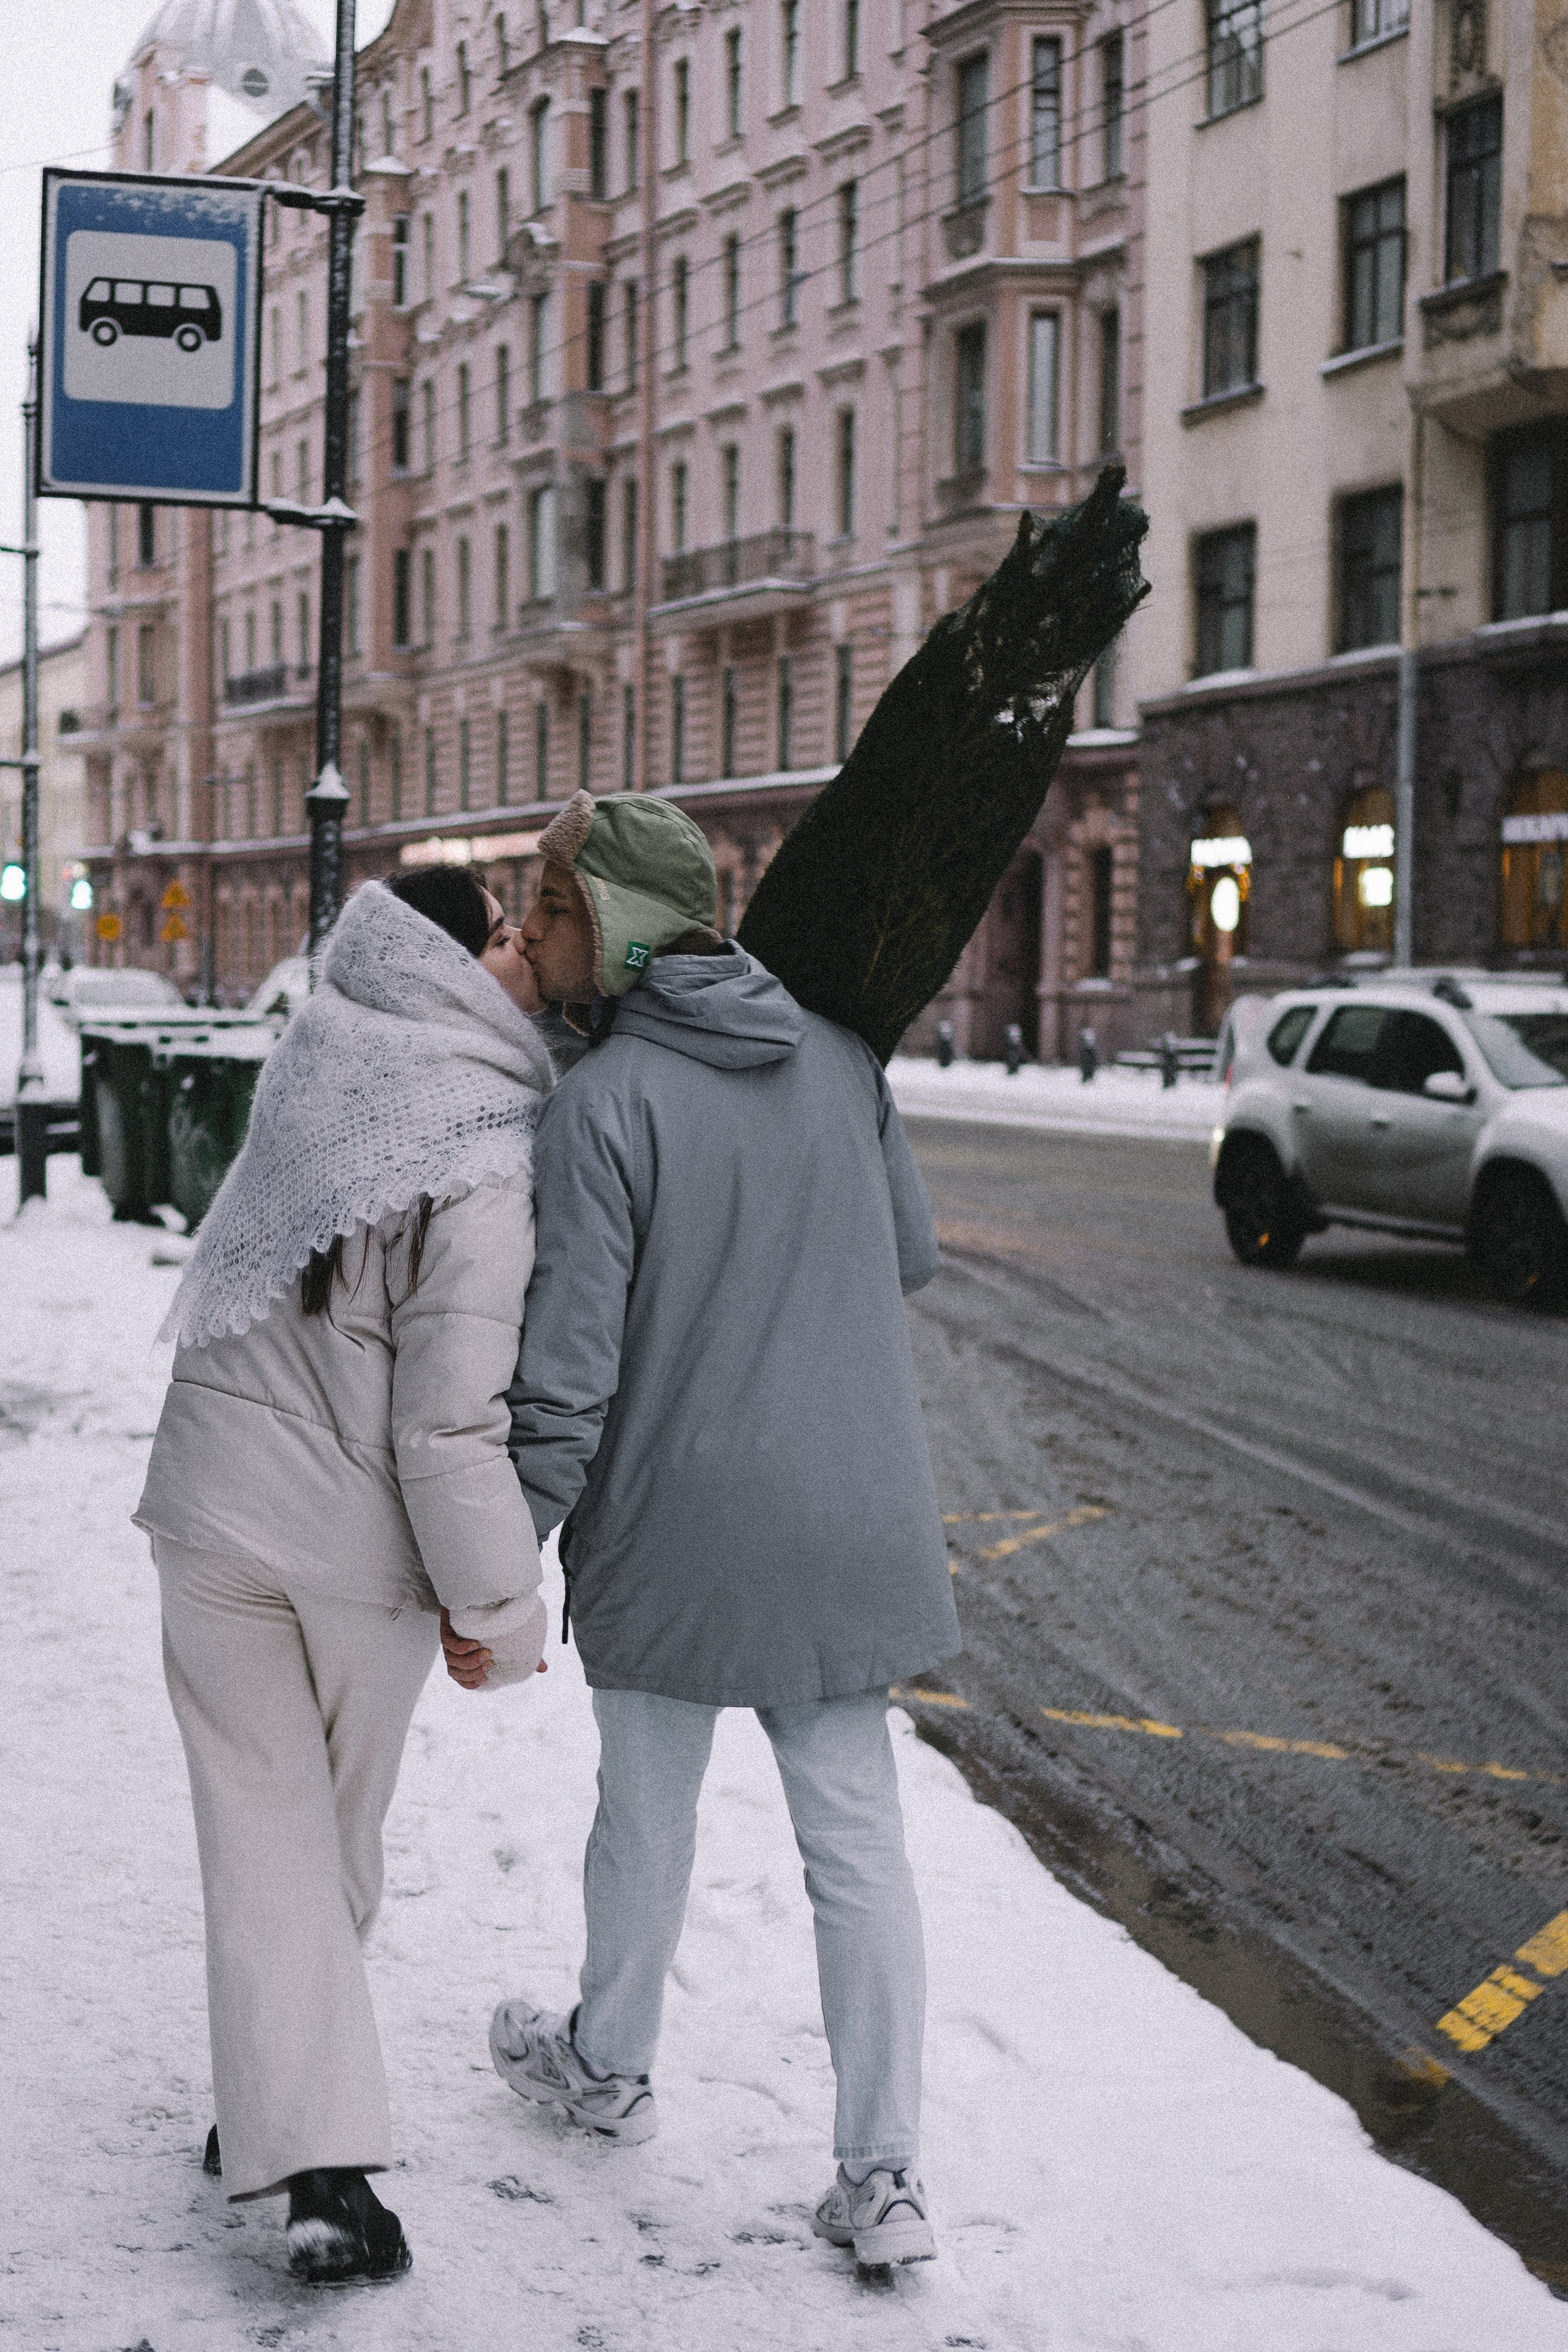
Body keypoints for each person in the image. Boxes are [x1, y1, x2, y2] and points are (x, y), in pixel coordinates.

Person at [448, 791, 961, 2269]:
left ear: (614, 928)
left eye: (554, 905)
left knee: (644, 1816)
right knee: (856, 1844)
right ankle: (883, 2178)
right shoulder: (842, 1058)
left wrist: (495, 1564)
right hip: (851, 1516)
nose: (535, 928)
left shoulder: (602, 1106)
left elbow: (565, 1381)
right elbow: (907, 1254)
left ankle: (607, 2070)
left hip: (676, 1523)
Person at [135, 868, 553, 2285]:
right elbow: (447, 1418)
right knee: (326, 1843)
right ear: (444, 965)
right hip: (353, 1552)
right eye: (501, 936)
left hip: (210, 1511)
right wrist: (500, 1611)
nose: (519, 956)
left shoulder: (310, 1066)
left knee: (272, 1840)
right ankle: (321, 2175)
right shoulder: (485, 1138)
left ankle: (277, 2100)